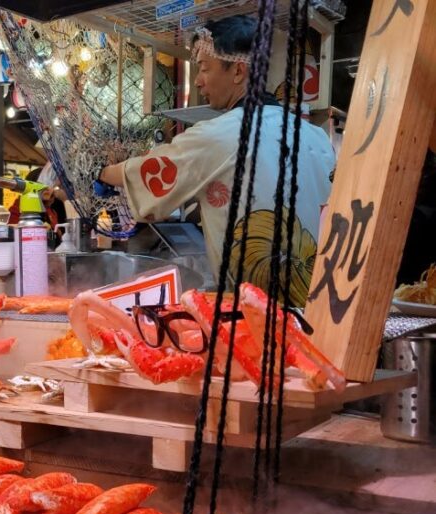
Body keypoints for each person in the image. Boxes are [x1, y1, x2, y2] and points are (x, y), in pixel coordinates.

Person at [94, 15, 334, 306]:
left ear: (238, 71)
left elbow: (151, 169)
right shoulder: (317, 137)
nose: (198, 80)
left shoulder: (221, 134)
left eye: (204, 68)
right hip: (321, 307)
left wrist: (101, 172)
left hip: (257, 314)